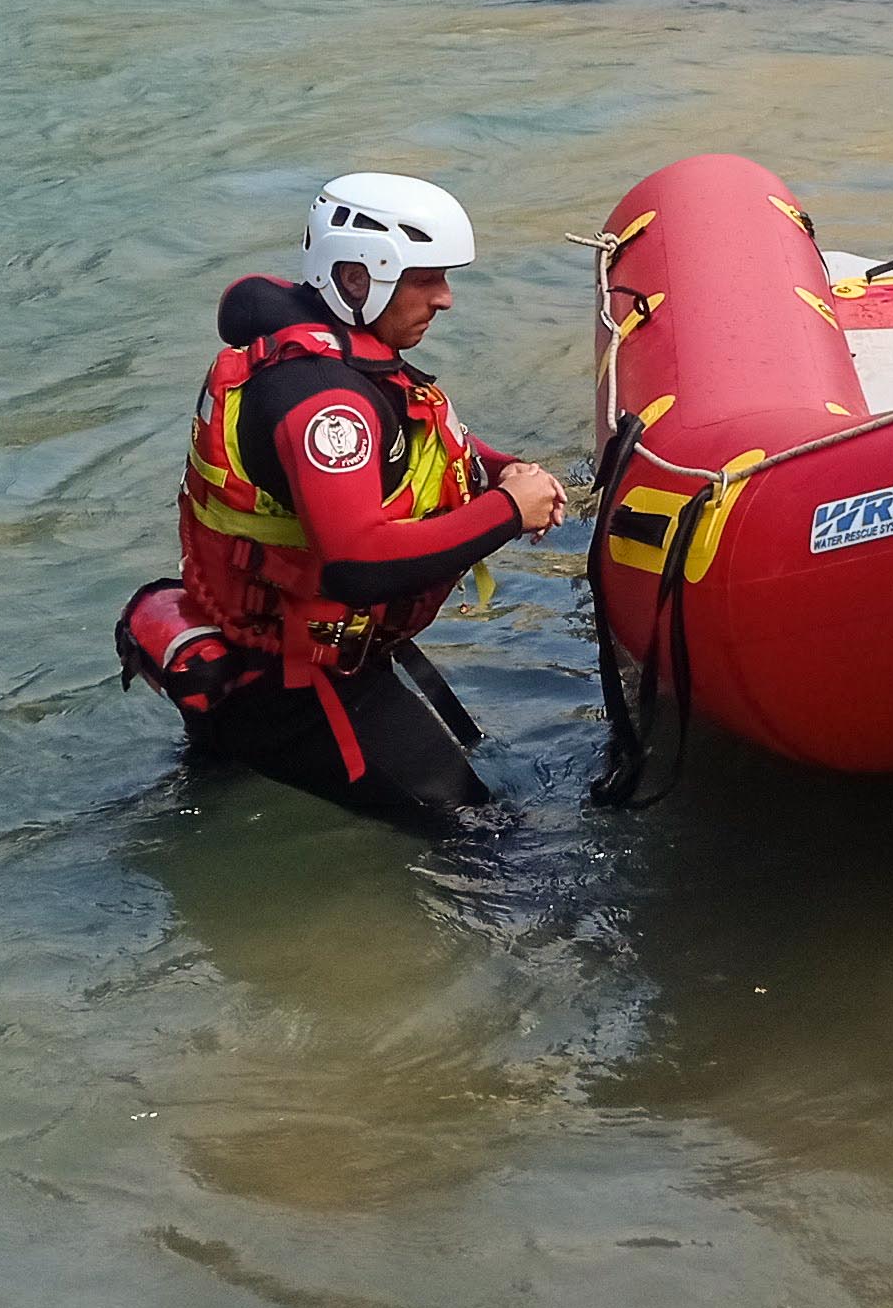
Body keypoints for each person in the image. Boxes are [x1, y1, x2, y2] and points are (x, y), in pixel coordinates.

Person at [123, 171, 568, 832]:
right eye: (426, 279)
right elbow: (356, 564)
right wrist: (507, 512)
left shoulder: (334, 357)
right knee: (492, 841)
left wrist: (502, 472)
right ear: (358, 278)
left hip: (270, 649)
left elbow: (418, 453)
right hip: (302, 683)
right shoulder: (323, 400)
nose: (445, 298)